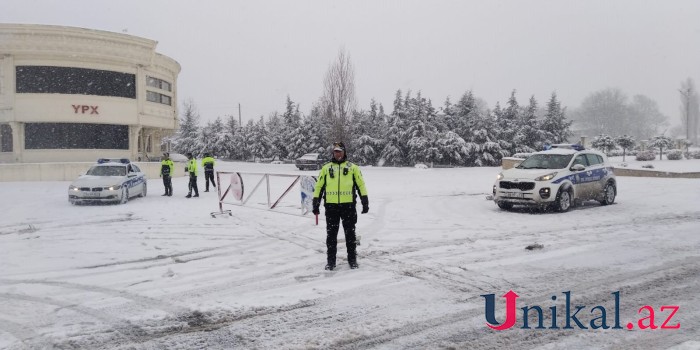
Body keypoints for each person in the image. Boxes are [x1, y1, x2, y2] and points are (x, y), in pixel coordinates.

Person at [312, 142, 369, 270]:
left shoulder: (352, 167)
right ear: (333, 152)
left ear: (344, 152)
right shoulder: (326, 168)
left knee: (350, 234)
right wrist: (316, 202)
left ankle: (352, 260)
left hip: (348, 207)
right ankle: (331, 261)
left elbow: (361, 185)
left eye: (340, 151)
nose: (337, 153)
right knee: (331, 236)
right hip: (331, 207)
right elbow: (319, 186)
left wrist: (365, 201)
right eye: (335, 151)